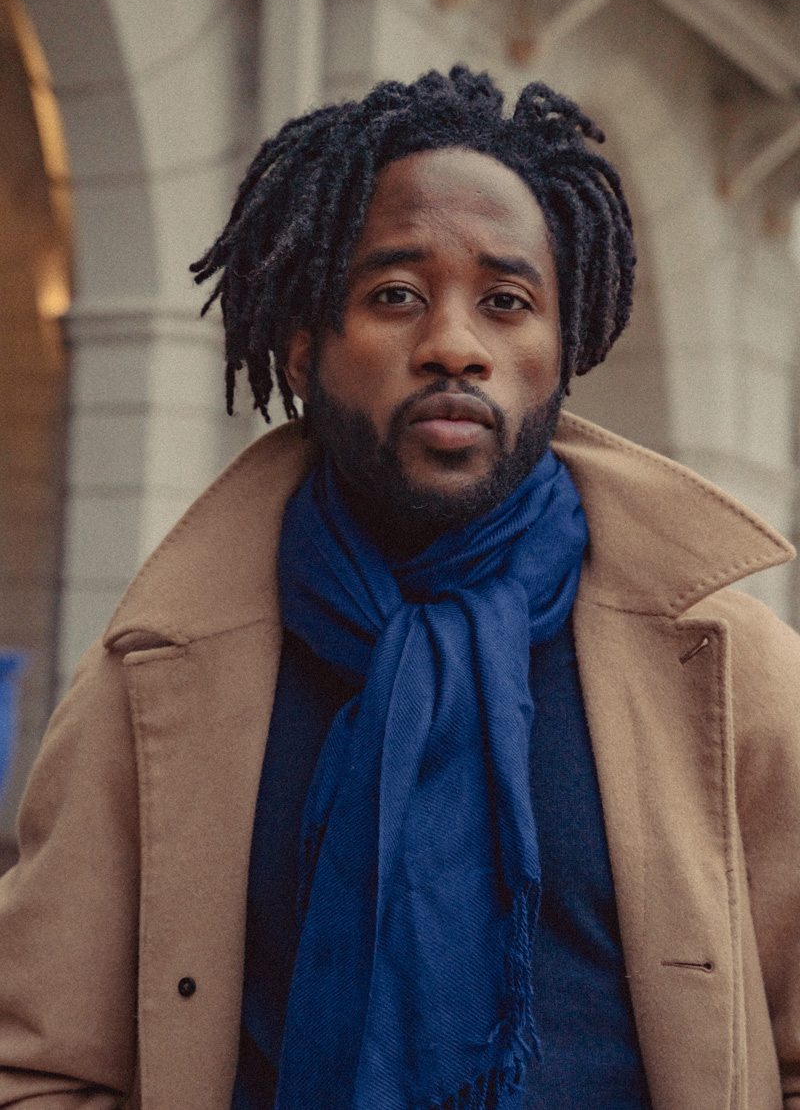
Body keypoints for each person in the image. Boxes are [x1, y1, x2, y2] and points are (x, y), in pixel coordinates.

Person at [0, 66, 798, 1110]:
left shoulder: (734, 670)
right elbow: (43, 1066)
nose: (454, 346)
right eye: (395, 296)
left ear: (561, 352)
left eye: (507, 302)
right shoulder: (147, 682)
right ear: (302, 351)